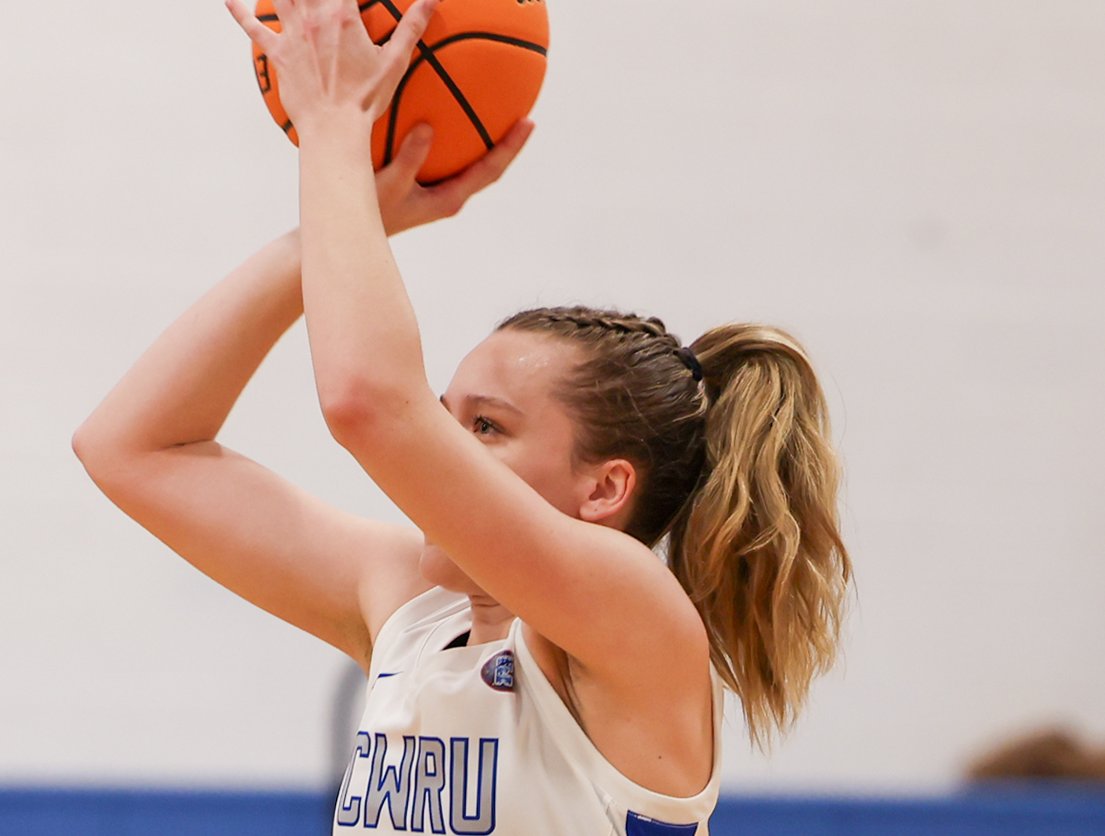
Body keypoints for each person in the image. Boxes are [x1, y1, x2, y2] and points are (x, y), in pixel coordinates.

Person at [73, 0, 852, 832]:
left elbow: (369, 402)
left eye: (486, 426)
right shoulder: (410, 609)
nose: (438, 442)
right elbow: (131, 448)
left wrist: (336, 127)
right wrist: (326, 234)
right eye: (443, 414)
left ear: (604, 489)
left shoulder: (631, 616)